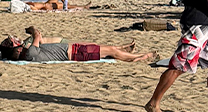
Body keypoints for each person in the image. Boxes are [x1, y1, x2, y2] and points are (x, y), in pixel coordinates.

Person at [20, 26, 155, 62]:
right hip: (76, 53)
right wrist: (31, 30)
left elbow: (39, 38)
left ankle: (124, 50)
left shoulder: (32, 52)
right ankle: (140, 57)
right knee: (112, 51)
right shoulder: (31, 53)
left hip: (75, 50)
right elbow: (37, 34)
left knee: (109, 49)